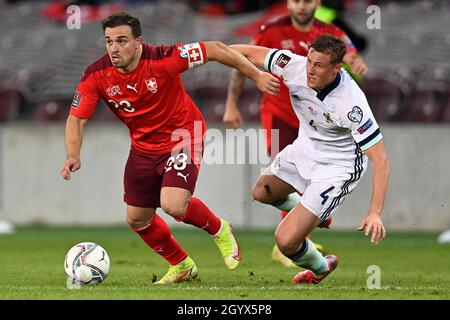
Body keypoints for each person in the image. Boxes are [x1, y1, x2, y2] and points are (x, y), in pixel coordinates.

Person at [60, 12, 280, 284]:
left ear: (138, 41)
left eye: (121, 41)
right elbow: (76, 118)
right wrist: (73, 154)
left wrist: (256, 76)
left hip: (184, 135)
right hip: (143, 146)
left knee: (173, 204)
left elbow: (216, 49)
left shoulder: (164, 58)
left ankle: (220, 229)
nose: (114, 49)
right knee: (137, 219)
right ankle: (182, 265)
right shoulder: (96, 75)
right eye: (109, 42)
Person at [230, 34, 389, 284]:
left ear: (338, 67)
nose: (310, 70)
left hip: (338, 168)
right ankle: (318, 214)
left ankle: (320, 266)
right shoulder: (294, 66)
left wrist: (375, 213)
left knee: (285, 241)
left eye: (319, 65)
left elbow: (381, 160)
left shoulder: (351, 104)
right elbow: (246, 52)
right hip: (305, 148)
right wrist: (211, 53)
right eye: (309, 61)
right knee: (261, 191)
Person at [223, 0, 368, 267]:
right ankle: (299, 233)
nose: (301, 6)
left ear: (317, 3)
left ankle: (295, 240)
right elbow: (240, 60)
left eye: (307, 0)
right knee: (275, 182)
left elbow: (349, 54)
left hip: (323, 122)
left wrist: (356, 61)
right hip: (281, 116)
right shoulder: (272, 30)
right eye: (296, 0)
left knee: (311, 185)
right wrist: (232, 102)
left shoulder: (330, 31)